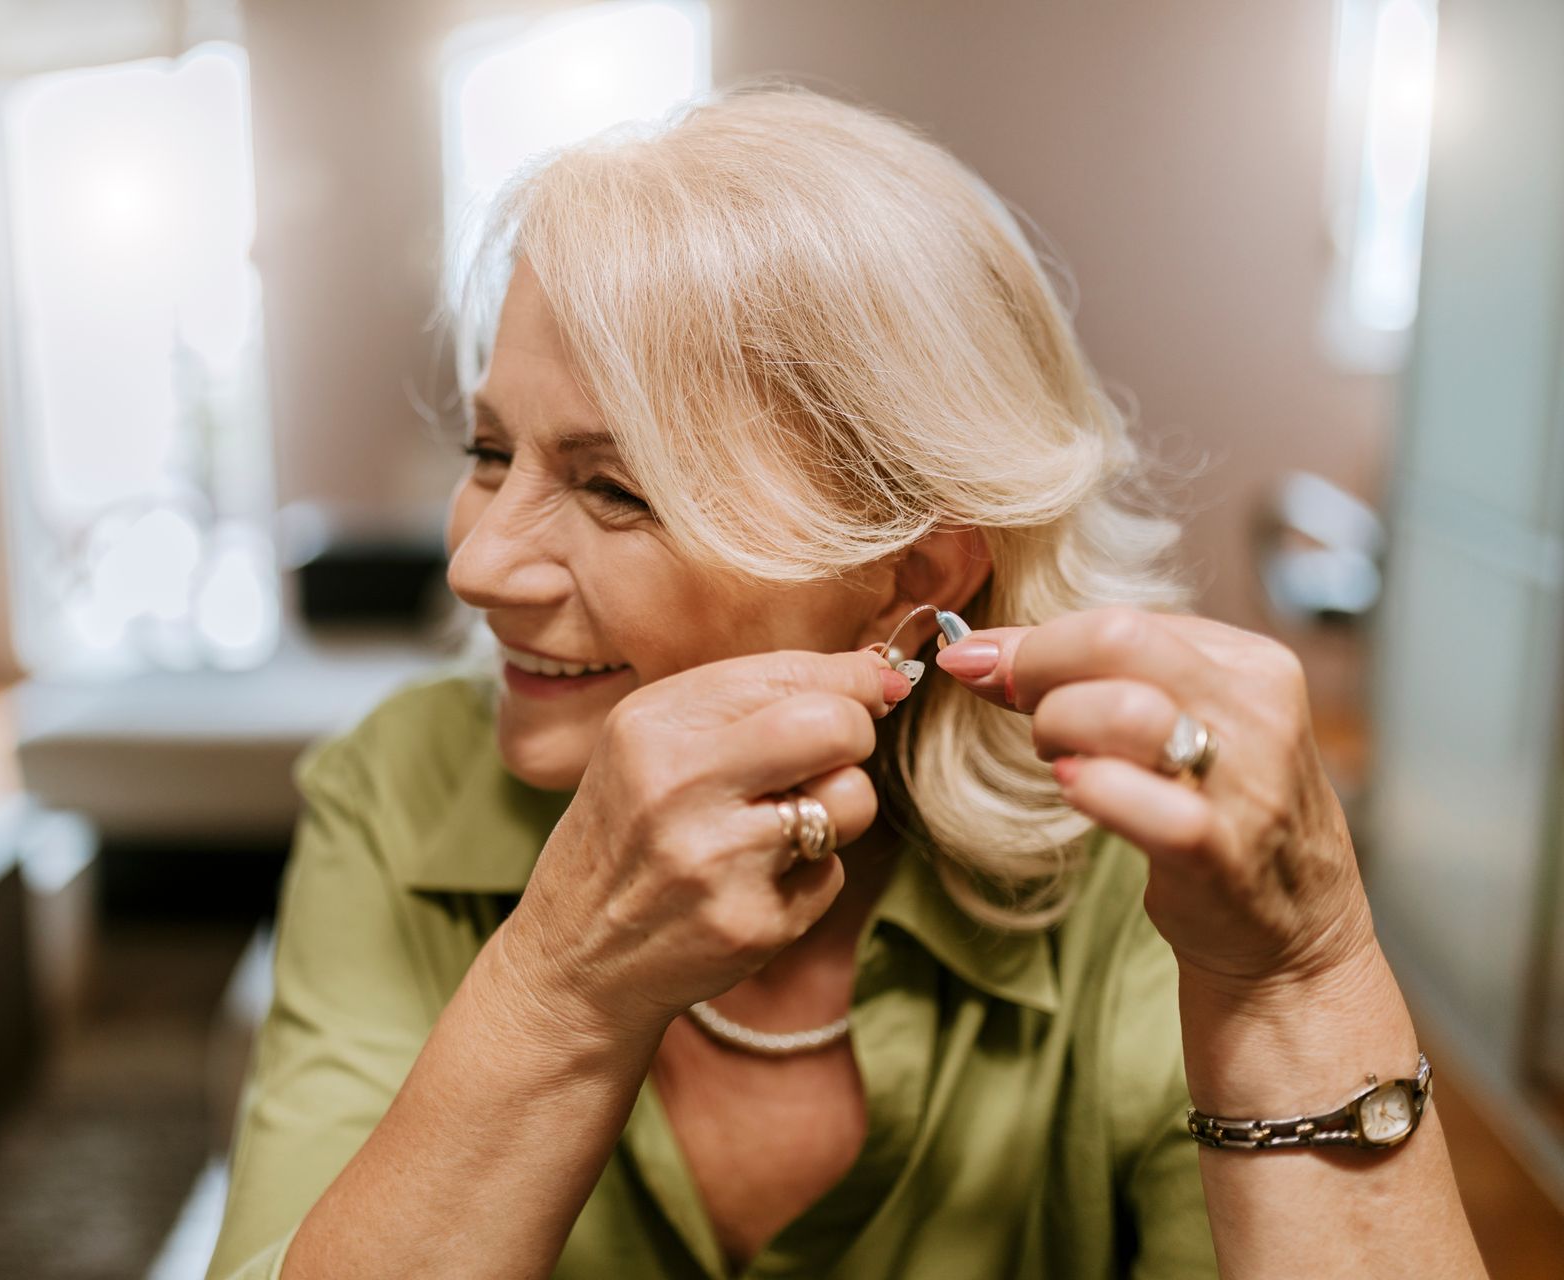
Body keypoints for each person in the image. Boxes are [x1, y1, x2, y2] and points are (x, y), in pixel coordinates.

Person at [207, 85, 1485, 1279]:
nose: (479, 561)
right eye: (489, 451)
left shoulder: (1132, 869)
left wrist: (1301, 977)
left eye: (615, 487)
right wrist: (560, 981)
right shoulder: (397, 788)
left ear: (911, 580)